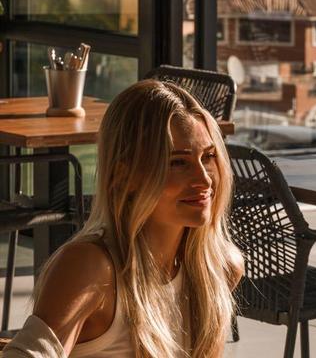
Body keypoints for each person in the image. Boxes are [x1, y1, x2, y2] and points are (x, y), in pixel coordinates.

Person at [5, 80, 243, 358]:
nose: (203, 179)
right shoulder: (91, 268)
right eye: (178, 162)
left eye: (209, 156)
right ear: (124, 176)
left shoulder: (220, 267)